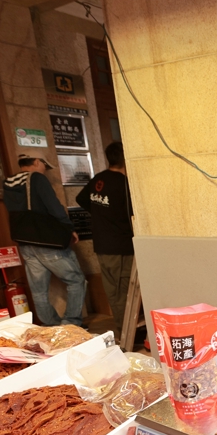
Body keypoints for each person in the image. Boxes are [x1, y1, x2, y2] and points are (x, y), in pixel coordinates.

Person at [4, 154, 87, 327]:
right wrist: (69, 227)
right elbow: (53, 205)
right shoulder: (37, 178)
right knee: (76, 280)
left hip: (25, 241)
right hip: (48, 240)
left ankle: (51, 326)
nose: (44, 169)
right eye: (44, 164)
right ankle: (70, 324)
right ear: (36, 162)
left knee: (38, 290)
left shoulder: (9, 181)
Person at [76, 142, 133, 336]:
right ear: (126, 158)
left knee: (113, 289)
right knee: (124, 291)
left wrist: (101, 213)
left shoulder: (97, 179)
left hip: (102, 244)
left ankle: (124, 330)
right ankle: (127, 332)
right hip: (121, 245)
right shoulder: (124, 183)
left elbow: (81, 199)